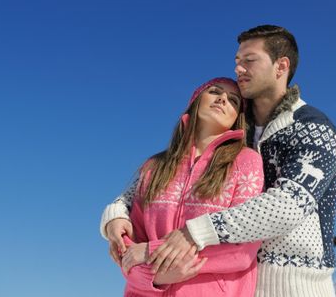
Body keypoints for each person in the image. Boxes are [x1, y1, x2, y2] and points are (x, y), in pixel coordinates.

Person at [104, 25, 336, 296]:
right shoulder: (234, 128)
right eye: (237, 62)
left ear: (281, 66)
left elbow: (288, 204)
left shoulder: (313, 128)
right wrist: (115, 214)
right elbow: (151, 186)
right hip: (241, 284)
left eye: (249, 61)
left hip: (295, 284)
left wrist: (193, 233)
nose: (239, 69)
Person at [101, 77, 265, 296]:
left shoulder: (245, 162)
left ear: (237, 118)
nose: (223, 99)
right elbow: (129, 252)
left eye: (234, 101)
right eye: (215, 92)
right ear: (196, 100)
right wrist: (153, 277)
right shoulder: (154, 166)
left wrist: (153, 252)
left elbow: (243, 248)